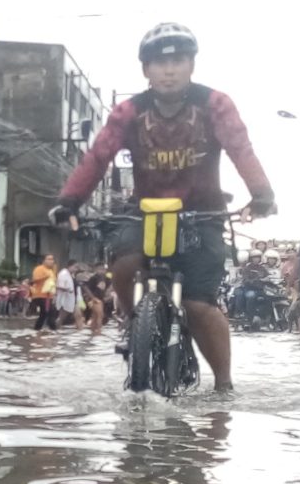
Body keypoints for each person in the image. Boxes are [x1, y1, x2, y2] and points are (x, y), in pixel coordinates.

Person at [51, 23, 276, 392]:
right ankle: (130, 319)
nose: (168, 70)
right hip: (143, 211)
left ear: (191, 65)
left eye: (178, 60)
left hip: (202, 214)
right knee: (123, 263)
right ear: (145, 70)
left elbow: (241, 148)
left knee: (199, 304)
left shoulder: (215, 104)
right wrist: (68, 201)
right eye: (158, 62)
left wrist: (262, 194)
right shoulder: (128, 112)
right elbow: (98, 156)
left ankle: (223, 385)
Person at [29, 254, 59, 331]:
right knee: (50, 313)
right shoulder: (39, 269)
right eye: (49, 259)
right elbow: (35, 280)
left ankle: (37, 330)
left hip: (49, 296)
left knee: (44, 314)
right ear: (44, 261)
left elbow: (53, 283)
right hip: (40, 295)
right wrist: (46, 277)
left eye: (52, 259)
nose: (51, 261)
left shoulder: (51, 271)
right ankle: (54, 330)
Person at [82, 265, 111, 335]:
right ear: (96, 270)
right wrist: (93, 298)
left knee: (95, 316)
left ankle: (93, 333)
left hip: (101, 299)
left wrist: (108, 295)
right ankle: (98, 331)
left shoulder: (107, 279)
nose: (102, 271)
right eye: (100, 269)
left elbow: (111, 286)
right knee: (99, 314)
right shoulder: (93, 278)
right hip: (93, 299)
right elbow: (85, 287)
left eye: (103, 269)